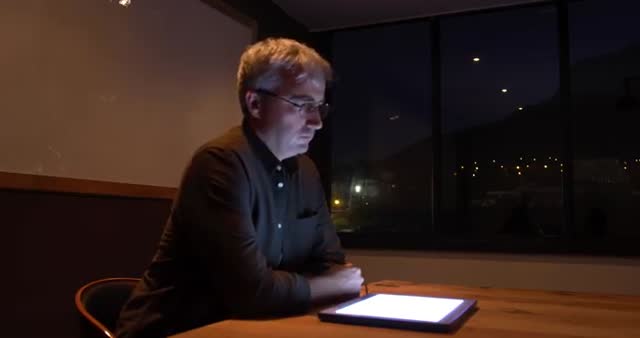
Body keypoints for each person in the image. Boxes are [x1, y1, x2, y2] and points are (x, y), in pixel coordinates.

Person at [115, 38, 364, 338]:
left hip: (252, 328)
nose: (316, 122)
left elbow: (331, 264)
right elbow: (251, 293)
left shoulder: (306, 171)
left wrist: (301, 285)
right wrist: (324, 285)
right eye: (302, 105)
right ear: (255, 103)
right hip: (176, 329)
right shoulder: (219, 163)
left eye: (319, 107)